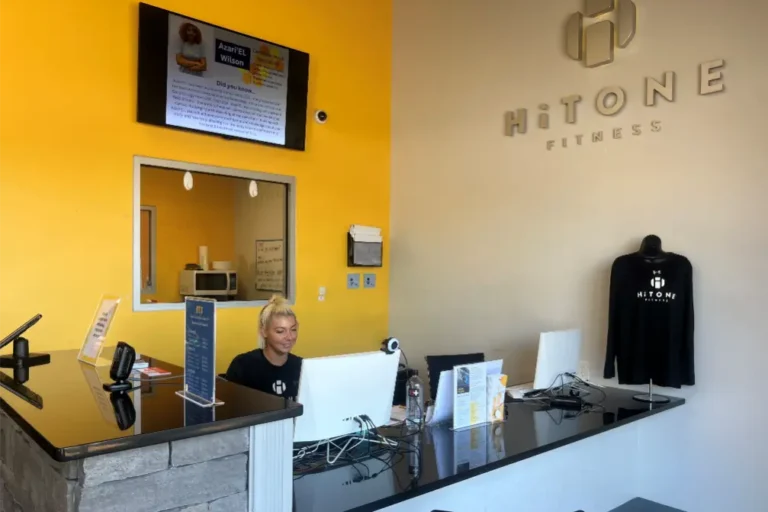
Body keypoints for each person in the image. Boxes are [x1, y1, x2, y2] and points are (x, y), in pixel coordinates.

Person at [225, 295, 302, 400]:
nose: (289, 337)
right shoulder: (243, 366)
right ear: (264, 331)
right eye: (280, 331)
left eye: (293, 330)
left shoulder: (301, 366)